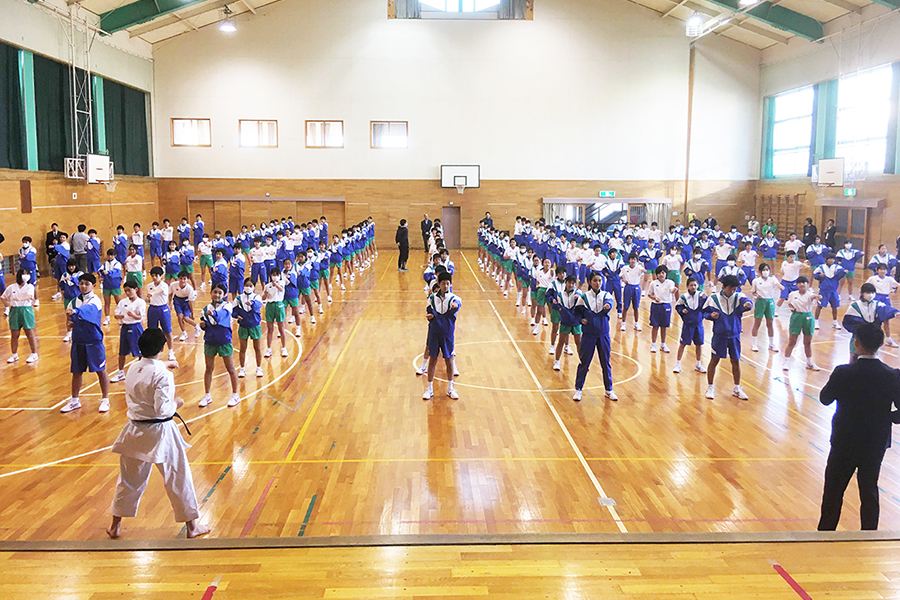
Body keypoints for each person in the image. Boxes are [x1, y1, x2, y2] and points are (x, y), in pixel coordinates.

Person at [107, 328, 210, 540]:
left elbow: (147, 369)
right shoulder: (163, 374)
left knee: (128, 480)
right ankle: (192, 527)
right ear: (162, 348)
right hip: (160, 431)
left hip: (134, 430)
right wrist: (177, 403)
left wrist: (162, 364)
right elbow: (163, 409)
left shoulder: (133, 367)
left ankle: (115, 525)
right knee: (178, 477)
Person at [817, 323, 900, 531]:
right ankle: (870, 534)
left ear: (856, 344)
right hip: (875, 442)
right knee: (869, 489)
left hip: (844, 440)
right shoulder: (892, 375)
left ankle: (825, 534)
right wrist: (886, 418)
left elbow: (825, 399)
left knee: (834, 491)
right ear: (881, 344)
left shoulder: (843, 372)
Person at [60, 273, 111, 413]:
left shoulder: (95, 301)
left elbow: (88, 312)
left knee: (101, 371)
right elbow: (69, 319)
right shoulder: (73, 301)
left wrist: (76, 312)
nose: (83, 286)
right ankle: (75, 400)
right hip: (78, 340)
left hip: (94, 341)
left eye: (87, 284)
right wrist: (69, 326)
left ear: (93, 286)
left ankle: (105, 399)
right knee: (76, 371)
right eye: (81, 283)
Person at [703, 274, 753, 400]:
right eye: (732, 288)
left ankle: (736, 388)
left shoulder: (738, 296)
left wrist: (748, 305)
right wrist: (710, 316)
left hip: (734, 335)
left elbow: (748, 302)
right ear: (724, 287)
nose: (734, 291)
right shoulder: (713, 299)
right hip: (719, 335)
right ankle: (710, 387)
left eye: (735, 288)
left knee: (735, 361)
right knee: (714, 360)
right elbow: (704, 312)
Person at [573, 272, 617, 401]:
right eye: (595, 281)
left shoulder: (606, 295)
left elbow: (609, 303)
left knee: (605, 363)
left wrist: (607, 306)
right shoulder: (584, 297)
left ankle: (609, 390)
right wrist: (581, 320)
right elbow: (577, 313)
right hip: (588, 335)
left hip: (603, 334)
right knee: (584, 363)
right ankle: (578, 389)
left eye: (599, 280)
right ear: (589, 282)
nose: (597, 283)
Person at [198, 284, 240, 408]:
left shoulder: (227, 306)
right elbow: (205, 324)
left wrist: (213, 314)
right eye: (215, 292)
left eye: (220, 293)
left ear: (224, 294)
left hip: (224, 341)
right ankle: (207, 394)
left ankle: (235, 394)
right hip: (210, 341)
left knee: (230, 368)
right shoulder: (205, 309)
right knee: (209, 369)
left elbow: (221, 316)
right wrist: (202, 326)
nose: (217, 295)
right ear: (211, 293)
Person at [423, 271, 461, 400]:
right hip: (434, 333)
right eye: (443, 283)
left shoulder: (454, 299)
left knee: (449, 360)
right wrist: (429, 316)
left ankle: (450, 388)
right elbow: (428, 311)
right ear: (438, 284)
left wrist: (455, 307)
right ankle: (429, 389)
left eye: (448, 284)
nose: (446, 286)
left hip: (447, 334)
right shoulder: (432, 298)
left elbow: (458, 305)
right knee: (432, 360)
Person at [843, 283, 900, 361]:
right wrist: (857, 331)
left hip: (873, 338)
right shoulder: (855, 306)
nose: (870, 295)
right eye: (868, 293)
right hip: (858, 338)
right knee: (854, 360)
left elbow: (886, 309)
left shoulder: (877, 304)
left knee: (872, 360)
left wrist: (895, 312)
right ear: (862, 293)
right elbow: (847, 322)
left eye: (872, 293)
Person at [781, 276, 821, 372]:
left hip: (807, 317)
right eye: (800, 282)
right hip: (796, 316)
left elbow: (813, 297)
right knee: (792, 341)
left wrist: (817, 297)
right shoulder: (792, 294)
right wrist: (792, 308)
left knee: (807, 342)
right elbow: (789, 303)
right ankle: (786, 361)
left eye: (804, 282)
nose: (802, 284)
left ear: (807, 284)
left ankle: (809, 362)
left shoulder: (810, 294)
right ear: (797, 284)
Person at [109, 281, 146, 384]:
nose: (128, 293)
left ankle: (142, 372)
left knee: (140, 351)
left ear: (136, 289)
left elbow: (140, 317)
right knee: (122, 351)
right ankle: (120, 372)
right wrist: (120, 316)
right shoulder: (122, 302)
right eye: (126, 291)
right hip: (125, 327)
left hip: (136, 327)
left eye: (129, 290)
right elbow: (116, 314)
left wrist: (133, 315)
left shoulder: (140, 302)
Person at [1, 269, 39, 364]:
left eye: (27, 274)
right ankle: (14, 354)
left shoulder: (30, 286)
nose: (26, 276)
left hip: (26, 310)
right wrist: (7, 306)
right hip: (15, 311)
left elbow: (29, 296)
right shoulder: (12, 287)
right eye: (24, 274)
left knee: (29, 333)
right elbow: (3, 297)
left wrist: (19, 299)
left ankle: (34, 354)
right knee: (14, 334)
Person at [547, 274, 581, 370]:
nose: (571, 285)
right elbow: (559, 306)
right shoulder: (560, 294)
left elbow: (580, 294)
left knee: (579, 342)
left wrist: (578, 295)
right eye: (569, 283)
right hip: (566, 321)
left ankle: (582, 361)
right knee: (561, 341)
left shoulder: (577, 293)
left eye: (573, 283)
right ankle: (557, 361)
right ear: (566, 283)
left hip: (576, 322)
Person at [673, 277, 706, 375]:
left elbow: (707, 306)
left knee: (699, 344)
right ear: (687, 286)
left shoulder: (701, 296)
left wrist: (705, 299)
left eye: (695, 285)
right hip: (688, 325)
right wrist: (682, 311)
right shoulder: (683, 297)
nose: (693, 287)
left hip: (698, 325)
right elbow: (678, 306)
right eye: (691, 285)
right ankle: (678, 364)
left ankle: (698, 364)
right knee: (683, 344)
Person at [234, 279, 264, 379]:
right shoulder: (238, 298)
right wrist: (236, 316)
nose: (248, 287)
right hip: (243, 326)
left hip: (254, 325)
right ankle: (242, 368)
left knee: (257, 348)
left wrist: (252, 303)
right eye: (246, 285)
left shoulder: (257, 297)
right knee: (242, 348)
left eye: (250, 285)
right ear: (243, 286)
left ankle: (259, 367)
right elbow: (233, 311)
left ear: (254, 287)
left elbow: (258, 306)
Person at [146, 267, 177, 361]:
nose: (154, 278)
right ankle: (153, 352)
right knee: (152, 331)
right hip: (152, 309)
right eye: (153, 276)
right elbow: (149, 298)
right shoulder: (149, 285)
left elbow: (158, 291)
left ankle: (170, 351)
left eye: (156, 276)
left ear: (161, 276)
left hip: (163, 309)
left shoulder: (164, 285)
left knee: (167, 331)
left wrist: (152, 293)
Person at [866, 263, 900, 347]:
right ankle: (871, 337)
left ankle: (888, 338)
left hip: (886, 299)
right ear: (877, 270)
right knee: (873, 319)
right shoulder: (872, 278)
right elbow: (865, 286)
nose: (883, 271)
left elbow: (897, 285)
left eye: (884, 269)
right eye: (881, 269)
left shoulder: (889, 279)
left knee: (886, 319)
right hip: (875, 298)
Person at [647, 265, 676, 353]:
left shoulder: (670, 282)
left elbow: (672, 290)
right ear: (656, 274)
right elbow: (649, 294)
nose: (661, 275)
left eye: (663, 273)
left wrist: (673, 291)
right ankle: (653, 344)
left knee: (664, 326)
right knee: (655, 326)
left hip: (666, 306)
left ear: (666, 274)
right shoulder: (653, 283)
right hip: (656, 306)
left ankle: (663, 344)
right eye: (659, 273)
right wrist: (654, 298)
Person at [814, 254, 845, 330]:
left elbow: (841, 272)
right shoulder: (821, 267)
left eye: (833, 259)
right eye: (829, 259)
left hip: (833, 291)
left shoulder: (837, 267)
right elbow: (815, 275)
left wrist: (844, 272)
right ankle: (816, 321)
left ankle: (835, 322)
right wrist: (819, 276)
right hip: (824, 290)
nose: (831, 260)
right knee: (819, 306)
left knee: (835, 306)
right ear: (826, 259)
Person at [263, 268, 289, 358]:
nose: (275, 276)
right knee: (270, 329)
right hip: (270, 306)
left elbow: (281, 290)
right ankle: (269, 348)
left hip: (279, 305)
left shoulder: (281, 283)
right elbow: (263, 297)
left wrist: (276, 285)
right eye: (273, 275)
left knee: (281, 328)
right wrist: (265, 294)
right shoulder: (267, 286)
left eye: (277, 275)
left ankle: (284, 348)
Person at [619, 253, 644, 331]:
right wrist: (624, 280)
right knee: (626, 306)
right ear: (629, 260)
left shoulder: (639, 268)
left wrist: (644, 268)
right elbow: (620, 276)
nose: (633, 261)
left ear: (636, 260)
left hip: (636, 287)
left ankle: (636, 323)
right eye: (632, 259)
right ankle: (623, 323)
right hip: (628, 287)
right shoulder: (625, 268)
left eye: (635, 259)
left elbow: (645, 271)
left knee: (636, 307)